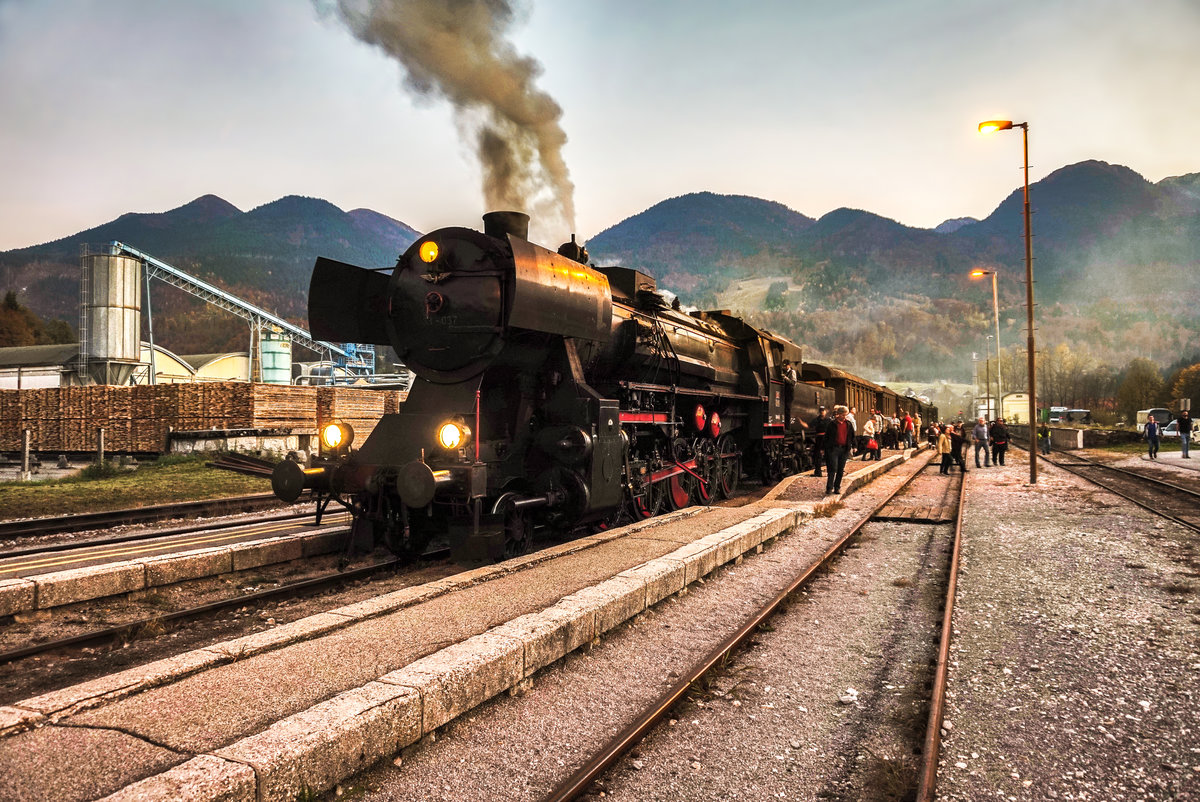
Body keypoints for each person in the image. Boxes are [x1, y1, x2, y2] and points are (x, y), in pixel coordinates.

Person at [823, 405, 855, 494]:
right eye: (843, 415)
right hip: (834, 449)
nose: (844, 417)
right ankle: (829, 487)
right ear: (839, 414)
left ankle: (837, 487)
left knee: (841, 469)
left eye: (845, 415)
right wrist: (824, 448)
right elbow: (826, 437)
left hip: (844, 449)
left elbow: (852, 436)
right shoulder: (832, 424)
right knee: (833, 468)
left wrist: (854, 446)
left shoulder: (848, 424)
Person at [810, 406, 829, 477]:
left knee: (827, 456)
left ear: (825, 411)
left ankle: (830, 471)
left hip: (826, 438)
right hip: (819, 439)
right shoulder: (816, 420)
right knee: (817, 456)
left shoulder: (828, 420)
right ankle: (818, 472)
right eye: (821, 411)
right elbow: (809, 425)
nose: (822, 412)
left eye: (823, 410)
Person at [780, 359, 798, 425]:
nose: (784, 367)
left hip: (790, 392)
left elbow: (793, 382)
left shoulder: (792, 372)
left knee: (787, 408)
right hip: (785, 392)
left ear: (789, 365)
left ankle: (788, 426)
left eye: (785, 366)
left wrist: (785, 378)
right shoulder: (784, 372)